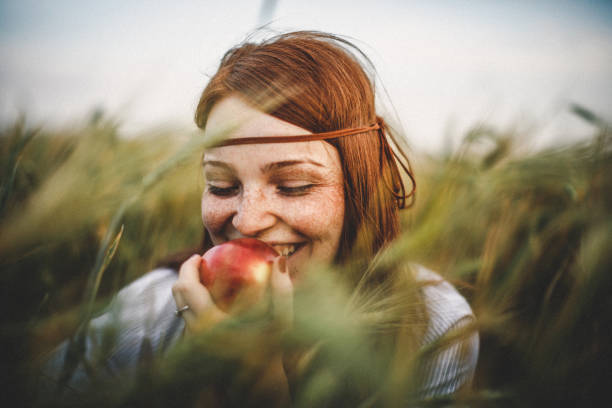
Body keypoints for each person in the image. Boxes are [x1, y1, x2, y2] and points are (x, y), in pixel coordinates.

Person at [40, 31, 478, 405]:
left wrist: (259, 390)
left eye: (294, 186)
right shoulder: (147, 317)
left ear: (360, 189)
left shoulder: (430, 328)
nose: (247, 222)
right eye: (222, 186)